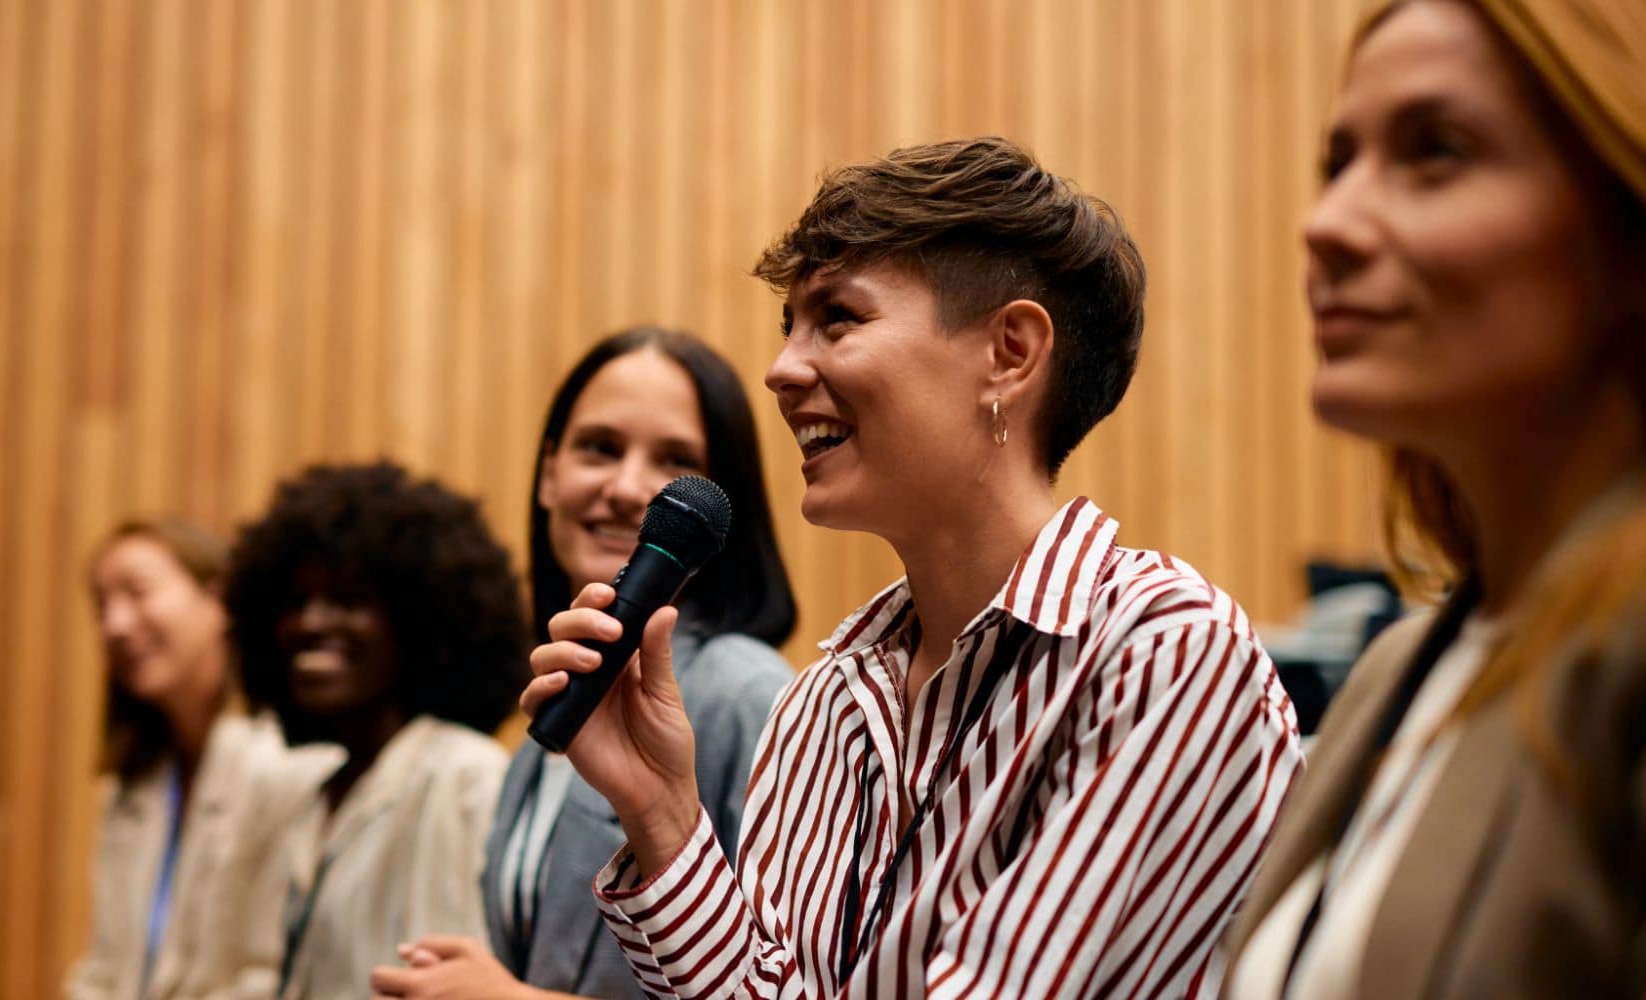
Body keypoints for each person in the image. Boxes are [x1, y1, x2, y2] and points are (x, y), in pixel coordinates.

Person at [522, 137, 1304, 997]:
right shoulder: (825, 699)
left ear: (1009, 353)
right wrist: (663, 810)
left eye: (839, 319)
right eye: (790, 329)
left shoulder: (1160, 649)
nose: (782, 371)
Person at [1223, 1, 1646, 996]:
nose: (1324, 224)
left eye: (1434, 152)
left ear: (1623, 231)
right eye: (1337, 163)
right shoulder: (1396, 671)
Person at [371, 327, 799, 999]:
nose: (629, 489)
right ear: (549, 474)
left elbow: (784, 985)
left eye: (674, 462)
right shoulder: (554, 706)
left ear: (720, 514)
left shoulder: (747, 693)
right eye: (600, 449)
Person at [224, 462, 530, 1000]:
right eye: (296, 602)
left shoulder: (461, 775)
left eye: (346, 600)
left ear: (417, 623)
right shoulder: (311, 791)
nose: (311, 622)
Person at [67, 517, 335, 1000]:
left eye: (138, 592)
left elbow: (275, 971)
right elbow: (105, 968)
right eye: (102, 605)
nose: (115, 624)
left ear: (219, 601)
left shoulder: (285, 766)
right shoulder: (131, 787)